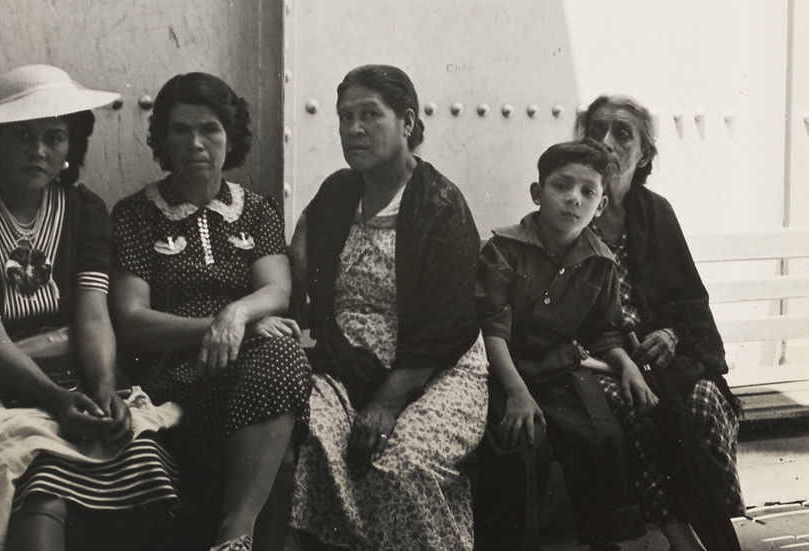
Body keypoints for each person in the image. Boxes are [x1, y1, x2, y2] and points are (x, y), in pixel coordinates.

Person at [0, 64, 178, 551]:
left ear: (70, 148)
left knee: (142, 461)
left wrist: (104, 390)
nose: (38, 150)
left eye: (54, 138)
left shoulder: (84, 210)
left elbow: (93, 314)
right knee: (41, 479)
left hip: (78, 378)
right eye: (22, 135)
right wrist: (58, 401)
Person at [287, 64, 489, 551]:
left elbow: (448, 325)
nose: (353, 128)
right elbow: (304, 240)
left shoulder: (440, 204)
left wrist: (386, 404)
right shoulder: (339, 191)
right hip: (346, 360)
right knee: (313, 441)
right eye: (345, 116)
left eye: (370, 115)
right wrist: (299, 271)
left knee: (401, 464)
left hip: (435, 369)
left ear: (408, 122)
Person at [108, 72, 312, 551]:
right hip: (172, 376)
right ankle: (237, 536)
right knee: (279, 441)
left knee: (282, 357)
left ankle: (233, 535)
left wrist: (235, 316)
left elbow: (277, 290)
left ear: (230, 136)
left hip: (248, 368)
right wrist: (216, 328)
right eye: (181, 130)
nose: (196, 143)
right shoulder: (135, 214)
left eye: (210, 129)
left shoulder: (256, 210)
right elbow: (131, 319)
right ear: (163, 140)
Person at [576, 95, 744, 551]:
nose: (606, 141)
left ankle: (708, 524)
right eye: (596, 130)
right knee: (635, 406)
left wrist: (672, 334)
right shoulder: (571, 208)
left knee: (706, 400)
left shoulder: (656, 212)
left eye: (622, 133)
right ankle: (683, 539)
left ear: (644, 154)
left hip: (659, 356)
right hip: (599, 360)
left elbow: (690, 301)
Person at [476, 139, 652, 550]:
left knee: (600, 435)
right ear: (538, 193)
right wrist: (517, 392)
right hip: (503, 372)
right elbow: (492, 328)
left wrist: (626, 365)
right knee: (520, 445)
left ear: (600, 205)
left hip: (560, 371)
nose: (574, 199)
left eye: (588, 192)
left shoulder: (600, 262)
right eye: (562, 186)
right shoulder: (504, 250)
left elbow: (604, 330)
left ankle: (603, 541)